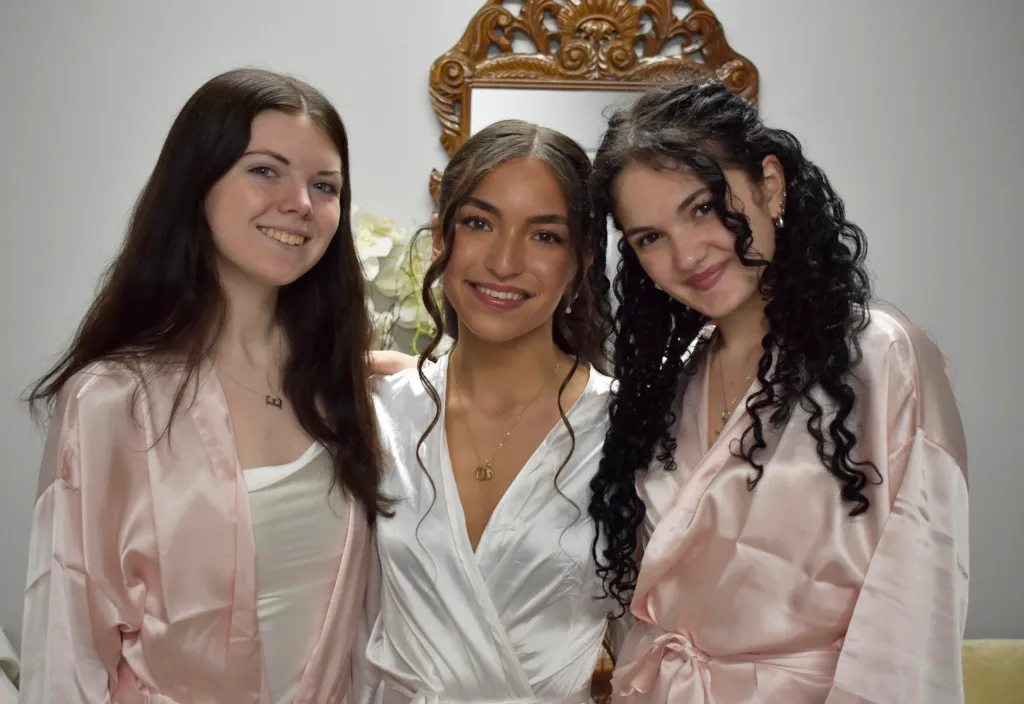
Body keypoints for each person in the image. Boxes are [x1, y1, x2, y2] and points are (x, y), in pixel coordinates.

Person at [586, 76, 970, 702]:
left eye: (703, 207)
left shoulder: (883, 357)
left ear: (770, 183)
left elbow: (914, 610)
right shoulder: (668, 383)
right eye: (649, 238)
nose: (686, 255)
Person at [20, 67, 385, 703]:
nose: (300, 201)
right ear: (197, 183)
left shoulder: (346, 389)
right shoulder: (113, 401)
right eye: (265, 170)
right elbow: (68, 649)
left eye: (324, 185)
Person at [355, 119, 620, 704]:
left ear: (580, 262)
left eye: (544, 236)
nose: (504, 261)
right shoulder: (381, 417)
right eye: (479, 223)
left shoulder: (626, 432)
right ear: (441, 238)